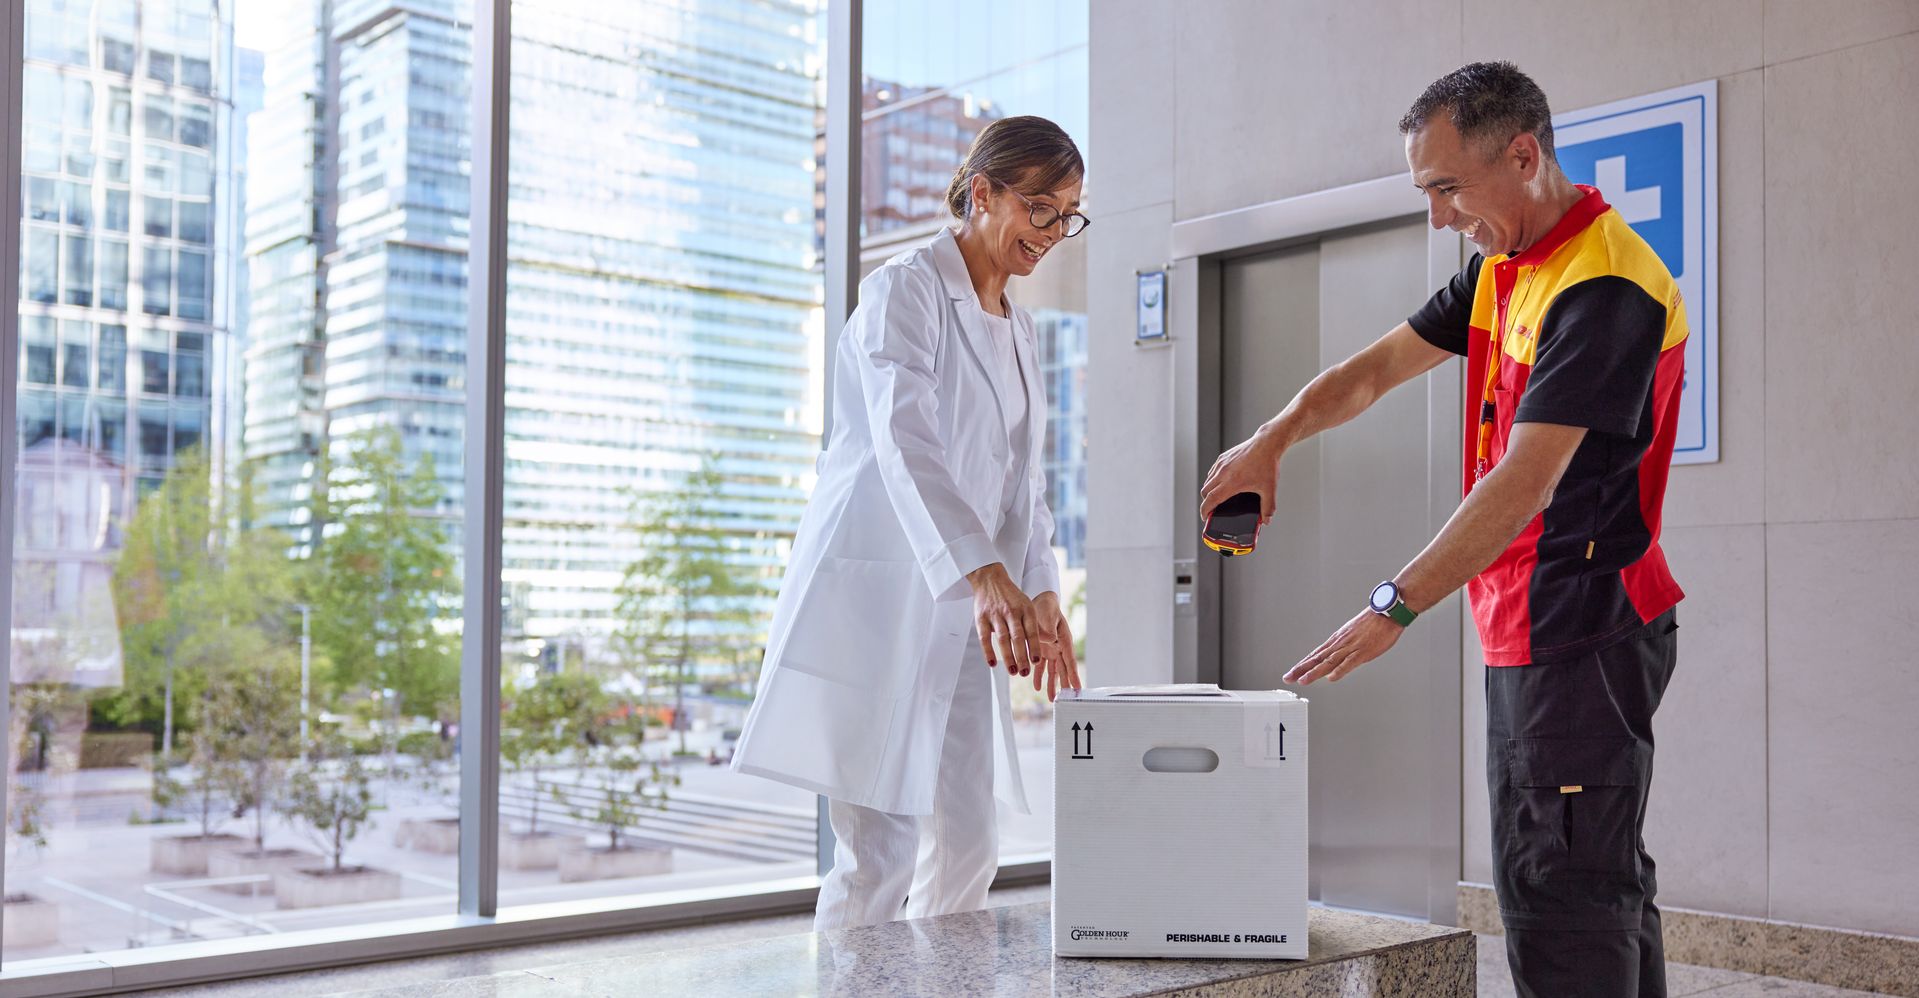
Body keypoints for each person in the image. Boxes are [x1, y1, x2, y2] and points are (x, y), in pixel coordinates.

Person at [1202, 62, 1686, 998]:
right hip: (1530, 623)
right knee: (1592, 879)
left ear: (1522, 153)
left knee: (1560, 896)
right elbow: (1374, 370)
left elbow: (1523, 483)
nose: (1437, 217)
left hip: (1582, 625)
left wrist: (1391, 606)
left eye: (1445, 188)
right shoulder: (1506, 267)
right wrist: (1273, 439)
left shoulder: (1604, 286)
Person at [732, 115, 1087, 931]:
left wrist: (1039, 588)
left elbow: (1020, 482)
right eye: (1040, 208)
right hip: (884, 600)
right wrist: (983, 570)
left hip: (966, 612)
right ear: (982, 191)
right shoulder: (906, 289)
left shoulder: (1021, 326)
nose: (1054, 232)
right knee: (876, 859)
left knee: (969, 844)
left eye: (1068, 214)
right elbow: (906, 441)